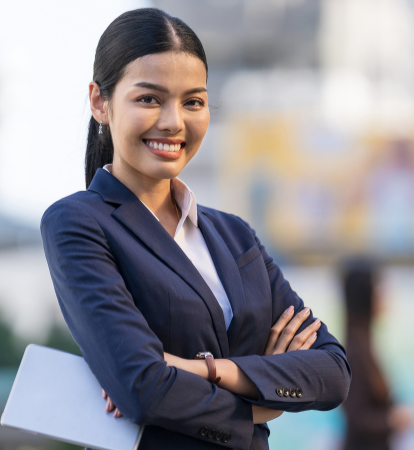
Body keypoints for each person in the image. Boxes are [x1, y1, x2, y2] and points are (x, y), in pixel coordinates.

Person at [40, 8, 350, 449]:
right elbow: (142, 387)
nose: (173, 121)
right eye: (149, 99)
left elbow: (333, 372)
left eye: (193, 101)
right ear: (99, 103)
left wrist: (205, 370)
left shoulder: (235, 236)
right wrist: (265, 402)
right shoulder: (78, 223)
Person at [340, 261, 414, 450]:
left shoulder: (363, 344)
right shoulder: (355, 352)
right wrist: (393, 420)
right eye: (381, 289)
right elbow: (358, 418)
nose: (386, 296)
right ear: (367, 295)